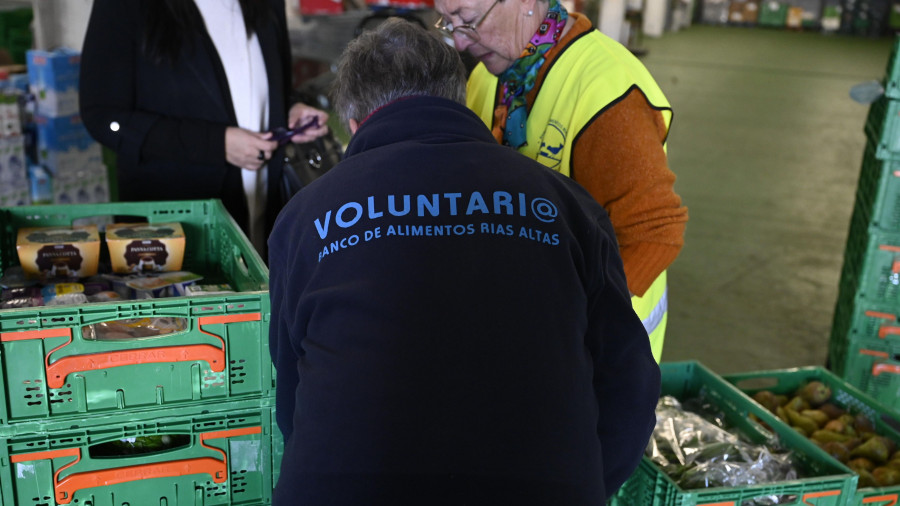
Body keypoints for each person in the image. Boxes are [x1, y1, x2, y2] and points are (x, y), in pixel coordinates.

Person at [268, 18, 660, 505]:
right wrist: (579, 483)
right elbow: (630, 383)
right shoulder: (564, 203)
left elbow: (292, 396)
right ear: (458, 98)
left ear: (353, 124)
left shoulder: (307, 216)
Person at [432, 0, 689, 362]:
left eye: (469, 20)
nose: (459, 42)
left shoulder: (608, 93)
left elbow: (655, 232)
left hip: (595, 351)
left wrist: (573, 319)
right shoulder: (489, 75)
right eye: (449, 21)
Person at [79, 0, 330, 253]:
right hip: (176, 231)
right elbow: (102, 115)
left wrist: (288, 110)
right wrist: (216, 144)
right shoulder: (125, 6)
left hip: (265, 209)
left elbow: (260, 85)